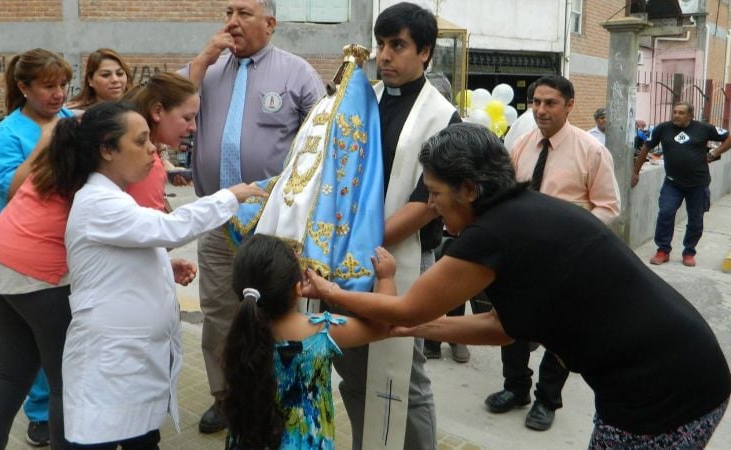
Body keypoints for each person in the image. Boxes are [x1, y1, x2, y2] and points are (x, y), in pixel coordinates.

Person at [303, 122, 731, 449]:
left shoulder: (491, 235)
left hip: (664, 393)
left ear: (469, 189)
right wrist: (417, 331)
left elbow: (408, 308)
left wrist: (330, 294)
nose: (430, 205)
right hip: (685, 372)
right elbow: (502, 326)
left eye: (434, 193)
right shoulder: (520, 213)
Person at [62, 103, 265, 447]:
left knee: (142, 436)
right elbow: (170, 229)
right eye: (140, 141)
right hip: (112, 362)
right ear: (107, 150)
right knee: (100, 437)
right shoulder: (98, 202)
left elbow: (126, 247)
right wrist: (229, 197)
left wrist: (160, 266)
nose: (153, 149)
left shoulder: (115, 199)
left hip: (132, 361)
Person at [179, 0, 324, 433]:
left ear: (270, 23)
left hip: (272, 226)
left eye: (243, 12)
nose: (232, 22)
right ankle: (226, 398)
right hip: (215, 219)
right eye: (228, 12)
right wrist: (204, 59)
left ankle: (276, 396)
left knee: (274, 313)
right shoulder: (209, 71)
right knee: (220, 312)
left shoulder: (296, 72)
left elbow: (323, 136)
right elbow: (165, 104)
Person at [329, 4, 459, 449]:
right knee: (350, 360)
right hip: (347, 256)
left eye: (397, 45)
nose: (384, 55)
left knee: (405, 371)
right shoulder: (361, 103)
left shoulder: (443, 118)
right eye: (381, 44)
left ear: (424, 52)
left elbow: (427, 204)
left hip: (403, 258)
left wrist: (359, 242)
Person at [0, 94, 110, 450]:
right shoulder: (96, 172)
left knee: (8, 374)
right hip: (36, 277)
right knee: (65, 382)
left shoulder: (60, 155)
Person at [491, 75, 620, 431]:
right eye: (536, 103)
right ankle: (515, 388)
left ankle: (547, 400)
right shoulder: (522, 144)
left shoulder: (591, 150)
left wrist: (575, 242)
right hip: (521, 257)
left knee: (561, 333)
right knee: (511, 325)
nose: (541, 110)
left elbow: (608, 206)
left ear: (569, 104)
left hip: (568, 259)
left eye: (550, 103)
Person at [222, 234, 392, 449]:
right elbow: (383, 325)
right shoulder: (320, 330)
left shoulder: (241, 332)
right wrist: (386, 278)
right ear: (297, 289)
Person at [0, 47, 74, 447]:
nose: (58, 94)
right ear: (23, 87)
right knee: (57, 372)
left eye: (63, 85)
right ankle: (40, 417)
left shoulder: (69, 118)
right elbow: (13, 189)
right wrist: (45, 142)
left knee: (13, 368)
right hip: (29, 259)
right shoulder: (8, 133)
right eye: (48, 86)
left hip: (43, 250)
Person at [632, 102, 731, 267]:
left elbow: (728, 137)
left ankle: (689, 252)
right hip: (673, 183)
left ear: (690, 115)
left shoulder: (704, 128)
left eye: (681, 113)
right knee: (665, 214)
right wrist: (635, 172)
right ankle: (663, 250)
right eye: (675, 112)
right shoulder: (663, 128)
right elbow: (646, 148)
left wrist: (714, 153)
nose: (676, 115)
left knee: (695, 220)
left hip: (698, 185)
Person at [422, 70, 470, 364]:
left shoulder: (459, 132)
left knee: (455, 287)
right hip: (429, 229)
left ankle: (456, 337)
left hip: (457, 223)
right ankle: (432, 340)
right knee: (431, 289)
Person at [124, 72, 199, 211]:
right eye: (187, 118)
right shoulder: (146, 162)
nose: (193, 128)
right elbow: (151, 226)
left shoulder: (127, 150)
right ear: (157, 111)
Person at [66, 48, 131, 112]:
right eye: (105, 75)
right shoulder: (73, 113)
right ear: (90, 80)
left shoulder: (138, 108)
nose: (115, 79)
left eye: (120, 74)